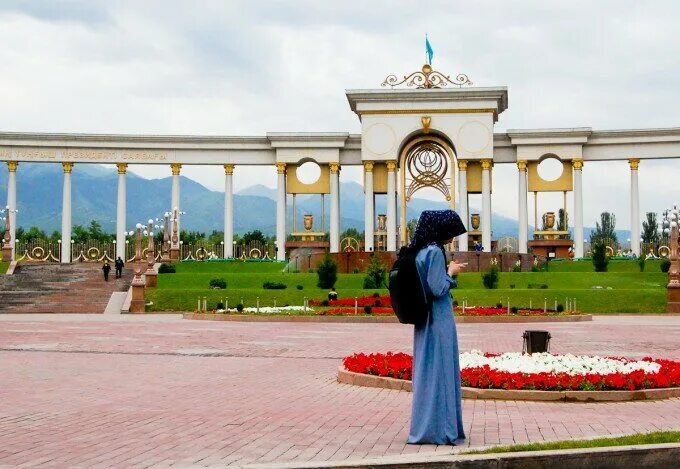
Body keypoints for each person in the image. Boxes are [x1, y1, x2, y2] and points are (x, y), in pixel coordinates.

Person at [408, 209, 467, 445]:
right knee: (441, 370)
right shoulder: (433, 252)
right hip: (438, 319)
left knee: (429, 370)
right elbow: (437, 288)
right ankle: (442, 429)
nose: (451, 237)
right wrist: (450, 273)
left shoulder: (422, 250)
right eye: (450, 232)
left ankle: (431, 425)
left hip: (426, 321)